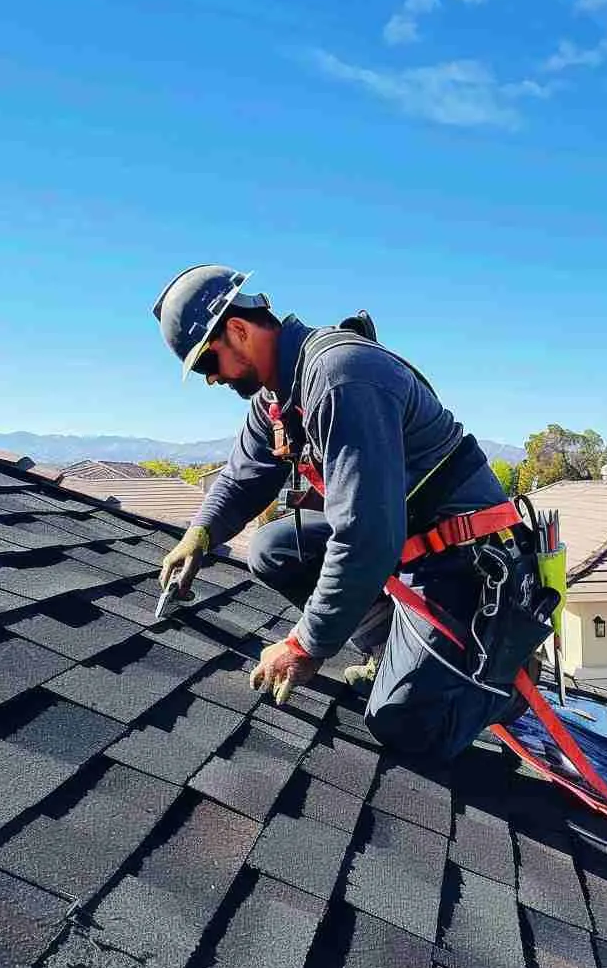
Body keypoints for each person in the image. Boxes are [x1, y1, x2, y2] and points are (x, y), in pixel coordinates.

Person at [153, 265, 541, 760]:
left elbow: (364, 537)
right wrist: (201, 535)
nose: (211, 379)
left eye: (207, 361)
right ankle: (389, 649)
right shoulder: (279, 395)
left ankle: (498, 684)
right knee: (273, 549)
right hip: (404, 546)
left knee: (405, 726)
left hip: (463, 562)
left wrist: (304, 645)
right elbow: (243, 477)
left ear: (238, 329)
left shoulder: (340, 376)